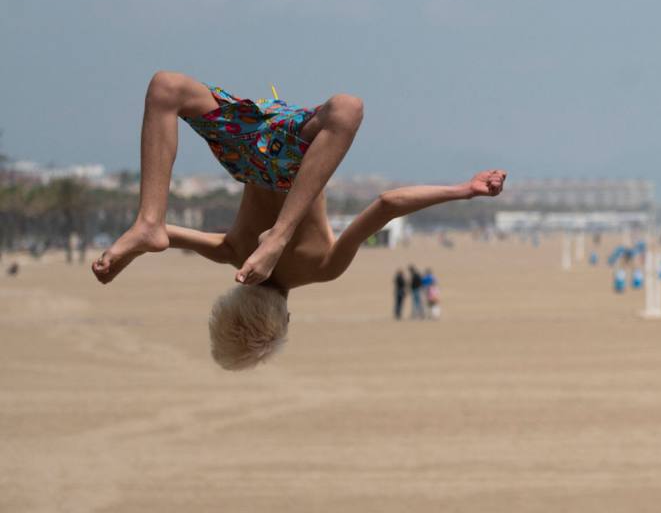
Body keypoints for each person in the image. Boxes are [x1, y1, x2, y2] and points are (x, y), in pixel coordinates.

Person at [91, 71, 505, 368]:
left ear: (286, 318)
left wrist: (463, 190)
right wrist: (126, 253)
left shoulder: (323, 267)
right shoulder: (232, 254)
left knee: (348, 109)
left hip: (273, 149)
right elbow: (173, 238)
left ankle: (171, 221)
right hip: (254, 153)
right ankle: (149, 219)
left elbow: (387, 204)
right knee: (167, 88)